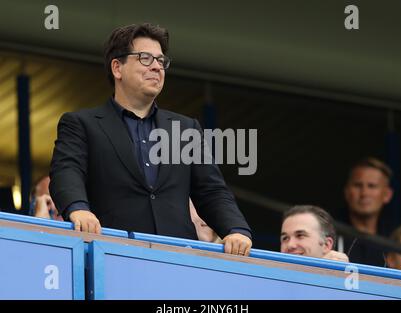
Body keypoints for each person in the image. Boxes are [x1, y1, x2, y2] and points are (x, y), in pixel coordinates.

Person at [49, 23, 252, 256]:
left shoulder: (186, 129)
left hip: (178, 261)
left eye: (161, 61)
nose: (157, 67)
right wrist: (78, 209)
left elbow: (211, 191)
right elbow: (67, 171)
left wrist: (236, 230)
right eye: (145, 58)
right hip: (113, 255)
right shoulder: (82, 124)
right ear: (117, 68)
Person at [337, 157, 394, 266]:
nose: (364, 193)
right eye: (358, 185)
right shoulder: (329, 238)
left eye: (372, 186)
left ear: (387, 194)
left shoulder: (395, 243)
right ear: (347, 192)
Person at [280, 205, 349, 262]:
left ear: (326, 245)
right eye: (285, 238)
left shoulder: (347, 277)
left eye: (300, 235)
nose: (290, 245)